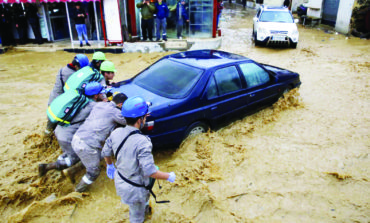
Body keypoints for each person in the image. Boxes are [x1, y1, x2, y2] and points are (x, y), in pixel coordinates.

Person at [102, 96, 176, 223]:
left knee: (141, 206)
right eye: (145, 117)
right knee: (136, 218)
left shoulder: (116, 132)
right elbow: (150, 171)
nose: (146, 119)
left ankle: (146, 209)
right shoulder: (143, 142)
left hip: (121, 180)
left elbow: (106, 152)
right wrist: (168, 176)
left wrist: (110, 165)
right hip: (135, 189)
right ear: (139, 120)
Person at [38, 82, 104, 177]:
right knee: (76, 157)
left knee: (68, 153)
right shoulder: (92, 106)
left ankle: (59, 167)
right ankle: (47, 167)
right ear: (96, 95)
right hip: (67, 137)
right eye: (101, 93)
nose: (103, 94)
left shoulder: (81, 100)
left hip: (60, 131)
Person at [72, 93, 128, 192]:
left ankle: (70, 171)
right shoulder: (115, 112)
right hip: (87, 145)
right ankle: (77, 192)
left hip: (77, 138)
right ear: (120, 105)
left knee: (98, 157)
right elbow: (128, 122)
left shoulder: (100, 104)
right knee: (94, 172)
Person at [45, 54, 89, 135]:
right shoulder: (71, 75)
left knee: (51, 125)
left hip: (54, 100)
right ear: (76, 66)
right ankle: (48, 139)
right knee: (55, 126)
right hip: (59, 104)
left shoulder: (63, 69)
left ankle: (48, 137)